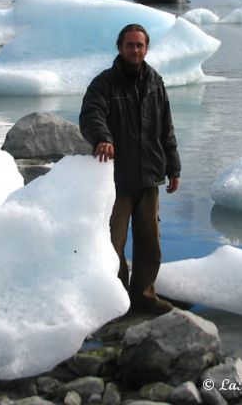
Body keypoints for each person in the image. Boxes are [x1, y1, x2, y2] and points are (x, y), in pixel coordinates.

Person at [79, 23, 180, 314]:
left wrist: (174, 168)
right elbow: (90, 115)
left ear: (146, 48)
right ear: (119, 47)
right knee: (114, 243)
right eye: (130, 45)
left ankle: (145, 296)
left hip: (149, 177)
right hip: (117, 179)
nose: (135, 50)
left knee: (150, 244)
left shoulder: (155, 82)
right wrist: (103, 138)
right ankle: (117, 299)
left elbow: (166, 129)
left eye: (140, 45)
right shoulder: (104, 83)